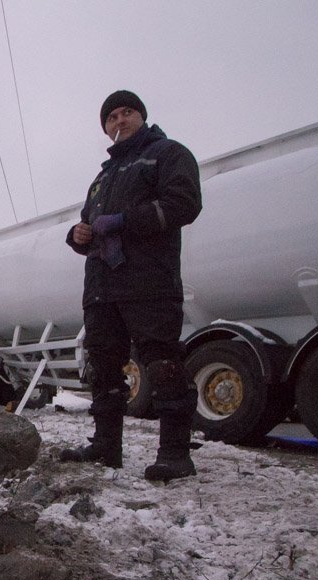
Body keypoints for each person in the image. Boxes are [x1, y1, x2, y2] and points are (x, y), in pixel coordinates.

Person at [62, 90, 203, 481]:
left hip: (149, 281)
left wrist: (124, 221)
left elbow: (184, 204)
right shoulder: (102, 178)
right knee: (103, 366)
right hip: (101, 288)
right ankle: (106, 446)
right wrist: (78, 234)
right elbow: (87, 225)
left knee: (162, 363)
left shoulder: (167, 153)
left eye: (127, 113)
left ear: (141, 117)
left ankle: (175, 453)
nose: (119, 121)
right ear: (105, 129)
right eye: (111, 118)